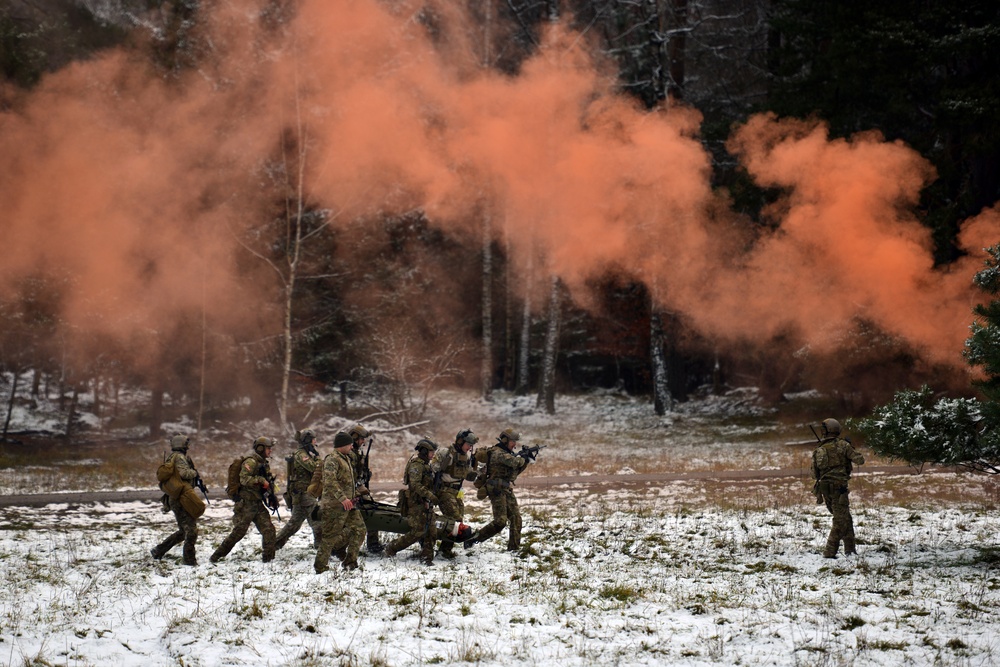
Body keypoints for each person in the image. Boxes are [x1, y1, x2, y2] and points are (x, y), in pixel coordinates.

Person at [210, 436, 278, 563]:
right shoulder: (251, 462)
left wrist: (271, 496)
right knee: (238, 533)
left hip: (257, 503)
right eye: (268, 448)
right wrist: (260, 480)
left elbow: (266, 483)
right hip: (246, 504)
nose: (270, 451)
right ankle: (216, 557)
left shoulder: (263, 463)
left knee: (269, 530)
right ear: (260, 448)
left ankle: (268, 560)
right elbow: (244, 479)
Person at [464, 428, 529, 552]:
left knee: (516, 518)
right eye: (512, 441)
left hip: (506, 489)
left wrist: (526, 461)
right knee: (500, 522)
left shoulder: (507, 454)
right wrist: (523, 458)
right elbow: (515, 462)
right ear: (505, 440)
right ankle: (473, 539)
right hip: (496, 490)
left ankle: (513, 548)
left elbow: (514, 474)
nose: (515, 444)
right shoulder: (498, 453)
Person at [314, 431, 368, 573]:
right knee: (330, 537)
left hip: (349, 504)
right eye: (349, 444)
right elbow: (329, 481)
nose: (352, 447)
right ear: (342, 445)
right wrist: (342, 498)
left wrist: (354, 496)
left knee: (360, 530)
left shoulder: (346, 458)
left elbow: (347, 482)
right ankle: (320, 567)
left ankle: (350, 562)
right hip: (334, 505)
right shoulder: (332, 459)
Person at [812, 418, 865, 558]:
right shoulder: (843, 446)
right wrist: (849, 447)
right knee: (840, 521)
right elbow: (860, 460)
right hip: (839, 489)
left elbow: (814, 473)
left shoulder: (819, 449)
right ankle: (829, 552)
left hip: (825, 490)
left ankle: (850, 550)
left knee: (845, 518)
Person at [384, 438, 439, 565]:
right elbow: (415, 485)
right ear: (424, 451)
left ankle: (426, 557)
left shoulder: (426, 465)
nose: (433, 454)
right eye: (431, 451)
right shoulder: (416, 465)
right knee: (418, 531)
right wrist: (429, 495)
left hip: (425, 502)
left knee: (431, 530)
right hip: (416, 503)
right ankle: (392, 547)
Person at [150, 434, 201, 566]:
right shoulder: (179, 458)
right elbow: (184, 473)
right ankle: (189, 561)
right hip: (181, 498)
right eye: (187, 444)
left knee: (183, 531)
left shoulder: (171, 457)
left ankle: (159, 550)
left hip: (176, 497)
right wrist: (195, 473)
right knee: (191, 531)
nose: (188, 446)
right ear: (183, 445)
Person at [430, 429, 479, 559]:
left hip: (457, 492)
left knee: (457, 521)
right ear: (460, 441)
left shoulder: (466, 456)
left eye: (471, 446)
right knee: (455, 520)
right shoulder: (445, 453)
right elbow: (431, 469)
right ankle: (441, 551)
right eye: (468, 444)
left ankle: (445, 550)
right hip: (444, 491)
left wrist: (477, 471)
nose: (469, 448)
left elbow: (468, 475)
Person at [274, 429, 322, 551]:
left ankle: (273, 545)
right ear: (307, 441)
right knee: (317, 521)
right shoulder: (301, 455)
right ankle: (322, 550)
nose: (315, 443)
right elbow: (314, 468)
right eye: (313, 440)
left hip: (303, 494)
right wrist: (317, 458)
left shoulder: (306, 454)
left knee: (294, 524)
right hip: (303, 494)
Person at [347, 423, 382, 554]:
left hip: (359, 489)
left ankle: (373, 544)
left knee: (372, 511)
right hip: (351, 492)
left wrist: (366, 475)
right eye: (361, 439)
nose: (363, 441)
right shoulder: (349, 454)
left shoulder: (357, 453)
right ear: (354, 438)